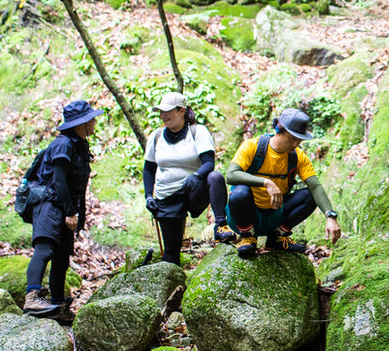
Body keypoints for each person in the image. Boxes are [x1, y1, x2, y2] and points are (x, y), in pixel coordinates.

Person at [213, 107, 342, 258]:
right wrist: (266, 182)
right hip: (246, 214)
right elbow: (231, 175)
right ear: (279, 129)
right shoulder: (252, 146)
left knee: (309, 195)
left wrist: (330, 216)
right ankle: (248, 236)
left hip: (275, 214)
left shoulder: (298, 157)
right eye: (292, 138)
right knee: (240, 192)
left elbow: (315, 186)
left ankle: (277, 237)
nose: (295, 143)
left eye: (299, 139)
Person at [24, 99, 102, 320]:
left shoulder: (79, 145)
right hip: (49, 205)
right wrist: (69, 212)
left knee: (62, 258)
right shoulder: (63, 144)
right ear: (80, 124)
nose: (94, 122)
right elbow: (58, 181)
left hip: (66, 208)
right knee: (45, 249)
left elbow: (79, 184)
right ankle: (32, 297)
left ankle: (58, 305)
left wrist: (79, 214)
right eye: (91, 119)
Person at [143, 91, 230, 265]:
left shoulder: (198, 132)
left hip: (193, 192)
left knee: (215, 177)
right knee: (170, 253)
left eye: (167, 111)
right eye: (161, 111)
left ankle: (221, 225)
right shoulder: (156, 137)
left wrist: (196, 176)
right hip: (167, 196)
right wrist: (148, 196)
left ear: (182, 111)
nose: (163, 115)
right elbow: (149, 169)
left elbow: (208, 163)